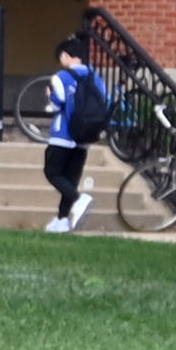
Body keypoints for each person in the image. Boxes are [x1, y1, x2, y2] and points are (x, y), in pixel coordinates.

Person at [43, 36, 107, 230]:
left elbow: (57, 103)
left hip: (63, 135)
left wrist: (49, 96)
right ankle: (62, 220)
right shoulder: (97, 78)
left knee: (52, 171)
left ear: (65, 56)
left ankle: (79, 199)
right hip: (84, 136)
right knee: (70, 179)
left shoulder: (61, 77)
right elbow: (106, 101)